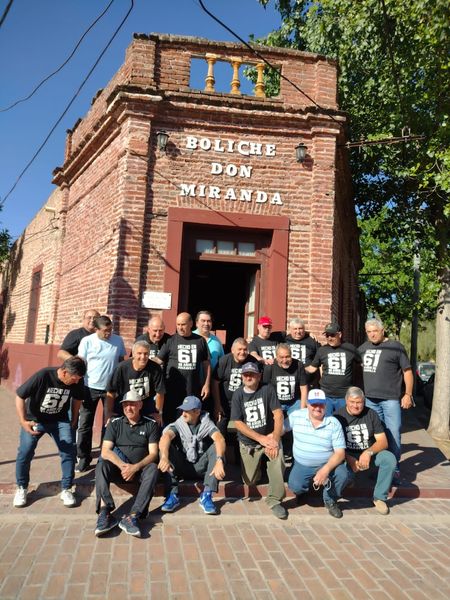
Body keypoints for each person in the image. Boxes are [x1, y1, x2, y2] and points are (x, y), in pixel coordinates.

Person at [13, 356, 87, 508]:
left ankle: (66, 488)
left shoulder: (77, 379)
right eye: (74, 379)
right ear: (65, 372)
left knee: (68, 451)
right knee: (25, 452)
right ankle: (21, 488)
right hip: (35, 420)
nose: (77, 382)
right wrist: (23, 421)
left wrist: (74, 419)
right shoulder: (44, 375)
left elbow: (78, 398)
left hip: (59, 421)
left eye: (79, 379)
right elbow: (20, 396)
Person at [94, 392, 159, 538]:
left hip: (140, 470)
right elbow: (105, 451)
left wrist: (135, 467)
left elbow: (153, 453)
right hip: (120, 469)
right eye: (125, 404)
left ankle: (133, 516)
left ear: (140, 405)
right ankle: (105, 513)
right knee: (101, 465)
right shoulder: (115, 424)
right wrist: (124, 466)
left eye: (132, 404)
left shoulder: (151, 424)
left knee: (153, 468)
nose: (128, 408)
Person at [358, 318, 414, 480]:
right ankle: (381, 467)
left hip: (390, 399)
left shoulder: (396, 347)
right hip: (370, 400)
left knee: (394, 432)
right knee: (376, 435)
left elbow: (408, 372)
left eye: (375, 331)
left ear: (383, 330)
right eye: (369, 332)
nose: (372, 334)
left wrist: (408, 394)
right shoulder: (363, 348)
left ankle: (394, 467)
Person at [230, 362, 287, 519]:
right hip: (250, 443)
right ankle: (259, 467)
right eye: (246, 374)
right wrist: (260, 439)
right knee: (250, 480)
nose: (249, 377)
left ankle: (275, 500)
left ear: (259, 375)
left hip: (269, 437)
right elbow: (238, 423)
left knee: (277, 458)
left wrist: (274, 439)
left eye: (252, 374)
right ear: (241, 376)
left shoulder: (267, 389)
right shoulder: (238, 394)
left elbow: (278, 415)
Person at [158, 396, 226, 515]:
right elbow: (166, 436)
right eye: (182, 410)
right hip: (182, 466)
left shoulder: (206, 424)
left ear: (197, 412)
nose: (183, 413)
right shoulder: (179, 424)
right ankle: (173, 495)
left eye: (187, 410)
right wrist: (164, 457)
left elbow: (219, 439)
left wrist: (219, 460)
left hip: (202, 468)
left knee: (217, 448)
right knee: (165, 448)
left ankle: (206, 495)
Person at [334, 387, 397, 515]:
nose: (356, 406)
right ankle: (334, 495)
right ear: (346, 401)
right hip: (346, 456)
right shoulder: (337, 417)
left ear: (364, 402)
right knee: (341, 470)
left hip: (368, 455)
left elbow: (383, 441)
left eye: (359, 402)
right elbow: (332, 446)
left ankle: (379, 497)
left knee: (389, 458)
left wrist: (368, 452)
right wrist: (349, 458)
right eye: (352, 402)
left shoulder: (371, 414)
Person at [76, 315, 126, 472]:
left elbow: (121, 360)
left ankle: (105, 458)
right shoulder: (87, 341)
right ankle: (83, 457)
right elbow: (81, 362)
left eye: (110, 330)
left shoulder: (118, 340)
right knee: (85, 424)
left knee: (110, 423)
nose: (109, 333)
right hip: (89, 387)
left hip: (110, 389)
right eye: (105, 330)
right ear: (96, 329)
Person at [288, 389, 348, 519]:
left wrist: (325, 470)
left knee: (343, 474)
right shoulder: (296, 416)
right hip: (302, 463)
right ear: (308, 404)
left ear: (326, 405)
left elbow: (340, 453)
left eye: (321, 404)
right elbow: (280, 429)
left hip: (327, 463)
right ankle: (303, 492)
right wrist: (268, 439)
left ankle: (330, 499)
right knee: (295, 486)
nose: (317, 408)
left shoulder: (333, 422)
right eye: (314, 404)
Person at [155, 312, 210, 425]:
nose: (180, 327)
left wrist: (206, 384)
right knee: (170, 421)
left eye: (183, 324)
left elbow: (206, 364)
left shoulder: (200, 341)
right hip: (172, 389)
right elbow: (159, 360)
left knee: (190, 420)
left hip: (192, 389)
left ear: (191, 324)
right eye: (178, 324)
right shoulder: (170, 340)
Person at [263, 343, 308, 462]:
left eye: (287, 356)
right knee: (274, 424)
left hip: (294, 401)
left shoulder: (298, 365)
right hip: (276, 403)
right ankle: (278, 452)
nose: (285, 360)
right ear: (276, 357)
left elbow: (303, 388)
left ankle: (297, 454)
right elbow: (265, 390)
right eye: (281, 357)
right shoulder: (270, 368)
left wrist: (303, 409)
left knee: (300, 421)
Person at [306, 323, 361, 415]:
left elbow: (361, 365)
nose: (329, 338)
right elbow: (312, 368)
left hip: (344, 395)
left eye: (332, 335)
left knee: (344, 422)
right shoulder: (322, 350)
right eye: (327, 335)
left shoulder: (350, 348)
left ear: (339, 334)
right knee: (326, 421)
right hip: (326, 395)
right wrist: (296, 367)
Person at [106, 340, 165, 425]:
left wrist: (158, 412)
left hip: (146, 404)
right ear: (133, 354)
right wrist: (109, 412)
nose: (143, 357)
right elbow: (111, 392)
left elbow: (160, 392)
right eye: (139, 353)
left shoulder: (155, 368)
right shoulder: (121, 368)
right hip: (125, 405)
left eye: (146, 354)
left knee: (157, 424)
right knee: (111, 425)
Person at [212, 337, 259, 437]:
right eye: (240, 349)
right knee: (220, 430)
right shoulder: (224, 361)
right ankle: (220, 452)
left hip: (244, 402)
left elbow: (258, 383)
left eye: (245, 349)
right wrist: (217, 405)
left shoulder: (253, 362)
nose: (242, 352)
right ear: (232, 350)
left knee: (244, 433)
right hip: (225, 402)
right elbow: (215, 382)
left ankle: (241, 452)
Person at [284, 317, 320, 386]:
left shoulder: (312, 340)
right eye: (295, 329)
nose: (298, 331)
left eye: (300, 328)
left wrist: (313, 367)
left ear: (304, 329)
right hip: (289, 379)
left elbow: (321, 356)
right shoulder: (284, 340)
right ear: (290, 330)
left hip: (309, 381)